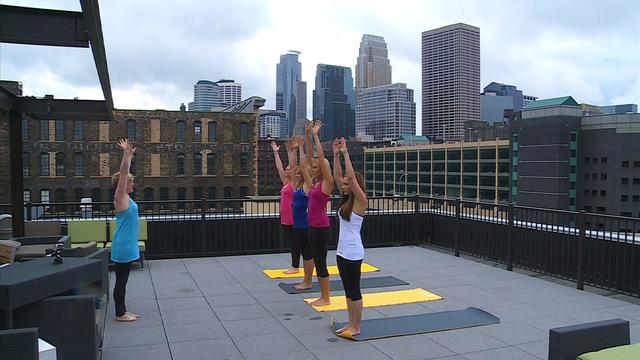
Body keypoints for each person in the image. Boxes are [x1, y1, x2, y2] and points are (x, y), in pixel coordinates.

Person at [333, 137, 367, 336]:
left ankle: (357, 326)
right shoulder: (346, 202)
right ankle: (350, 322)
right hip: (342, 252)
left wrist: (346, 153)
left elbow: (351, 179)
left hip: (353, 253)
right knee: (347, 291)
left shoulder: (360, 202)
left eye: (346, 185)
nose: (343, 186)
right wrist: (336, 155)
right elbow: (339, 176)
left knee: (354, 291)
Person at [111, 138, 141, 322]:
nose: (132, 184)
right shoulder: (120, 197)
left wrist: (130, 155)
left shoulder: (128, 199)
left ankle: (122, 310)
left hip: (128, 245)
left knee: (124, 280)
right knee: (121, 281)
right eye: (131, 182)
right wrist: (126, 155)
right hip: (122, 245)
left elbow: (125, 176)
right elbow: (123, 175)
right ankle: (120, 314)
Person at [306, 120, 334, 306]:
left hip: (321, 227)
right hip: (313, 226)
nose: (314, 169)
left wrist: (316, 135)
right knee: (317, 260)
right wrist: (308, 137)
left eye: (317, 168)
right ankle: (323, 295)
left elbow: (321, 158)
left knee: (321, 261)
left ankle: (326, 297)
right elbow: (310, 159)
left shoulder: (326, 183)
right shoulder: (316, 184)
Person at [271, 139, 300, 274]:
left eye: (289, 169)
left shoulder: (294, 183)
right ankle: (296, 264)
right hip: (285, 218)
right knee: (292, 242)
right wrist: (276, 153)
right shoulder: (285, 182)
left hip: (293, 217)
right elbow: (279, 168)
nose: (286, 170)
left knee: (295, 243)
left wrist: (293, 151)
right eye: (286, 169)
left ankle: (295, 266)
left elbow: (293, 166)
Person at [291, 135, 315, 290]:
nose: (298, 174)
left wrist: (300, 148)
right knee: (304, 252)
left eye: (301, 174)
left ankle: (308, 281)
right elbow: (294, 168)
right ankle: (306, 279)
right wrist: (292, 150)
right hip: (297, 225)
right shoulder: (297, 186)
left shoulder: (307, 186)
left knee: (307, 254)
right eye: (298, 174)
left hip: (305, 225)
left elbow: (304, 167)